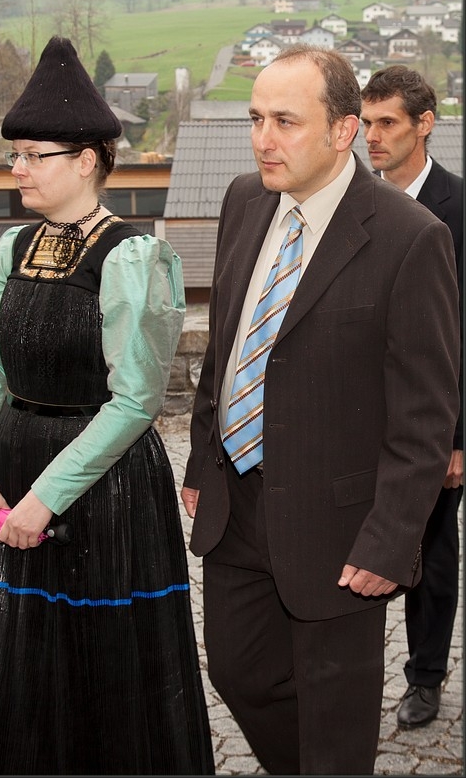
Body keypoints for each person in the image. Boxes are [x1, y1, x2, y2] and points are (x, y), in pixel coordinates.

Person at [0, 36, 214, 776]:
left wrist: (46, 498)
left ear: (86, 160)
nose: (16, 168)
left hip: (100, 487)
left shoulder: (134, 257)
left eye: (32, 155)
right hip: (6, 468)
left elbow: (136, 400)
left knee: (96, 668)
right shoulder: (10, 247)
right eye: (13, 154)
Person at [180, 44, 460, 775]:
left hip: (341, 527)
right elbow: (225, 345)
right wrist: (202, 458)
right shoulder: (244, 200)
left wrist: (391, 538)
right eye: (255, 119)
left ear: (342, 131)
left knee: (336, 719)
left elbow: (426, 416)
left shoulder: (410, 237)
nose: (262, 139)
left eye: (285, 121)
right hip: (237, 502)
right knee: (237, 672)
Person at [361, 65, 463, 729]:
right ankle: (350, 671)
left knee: (428, 548)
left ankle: (425, 678)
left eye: (387, 123)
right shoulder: (354, 202)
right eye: (366, 122)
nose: (372, 136)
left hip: (435, 424)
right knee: (358, 542)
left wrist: (458, 438)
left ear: (423, 124)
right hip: (360, 417)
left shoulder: (459, 209)